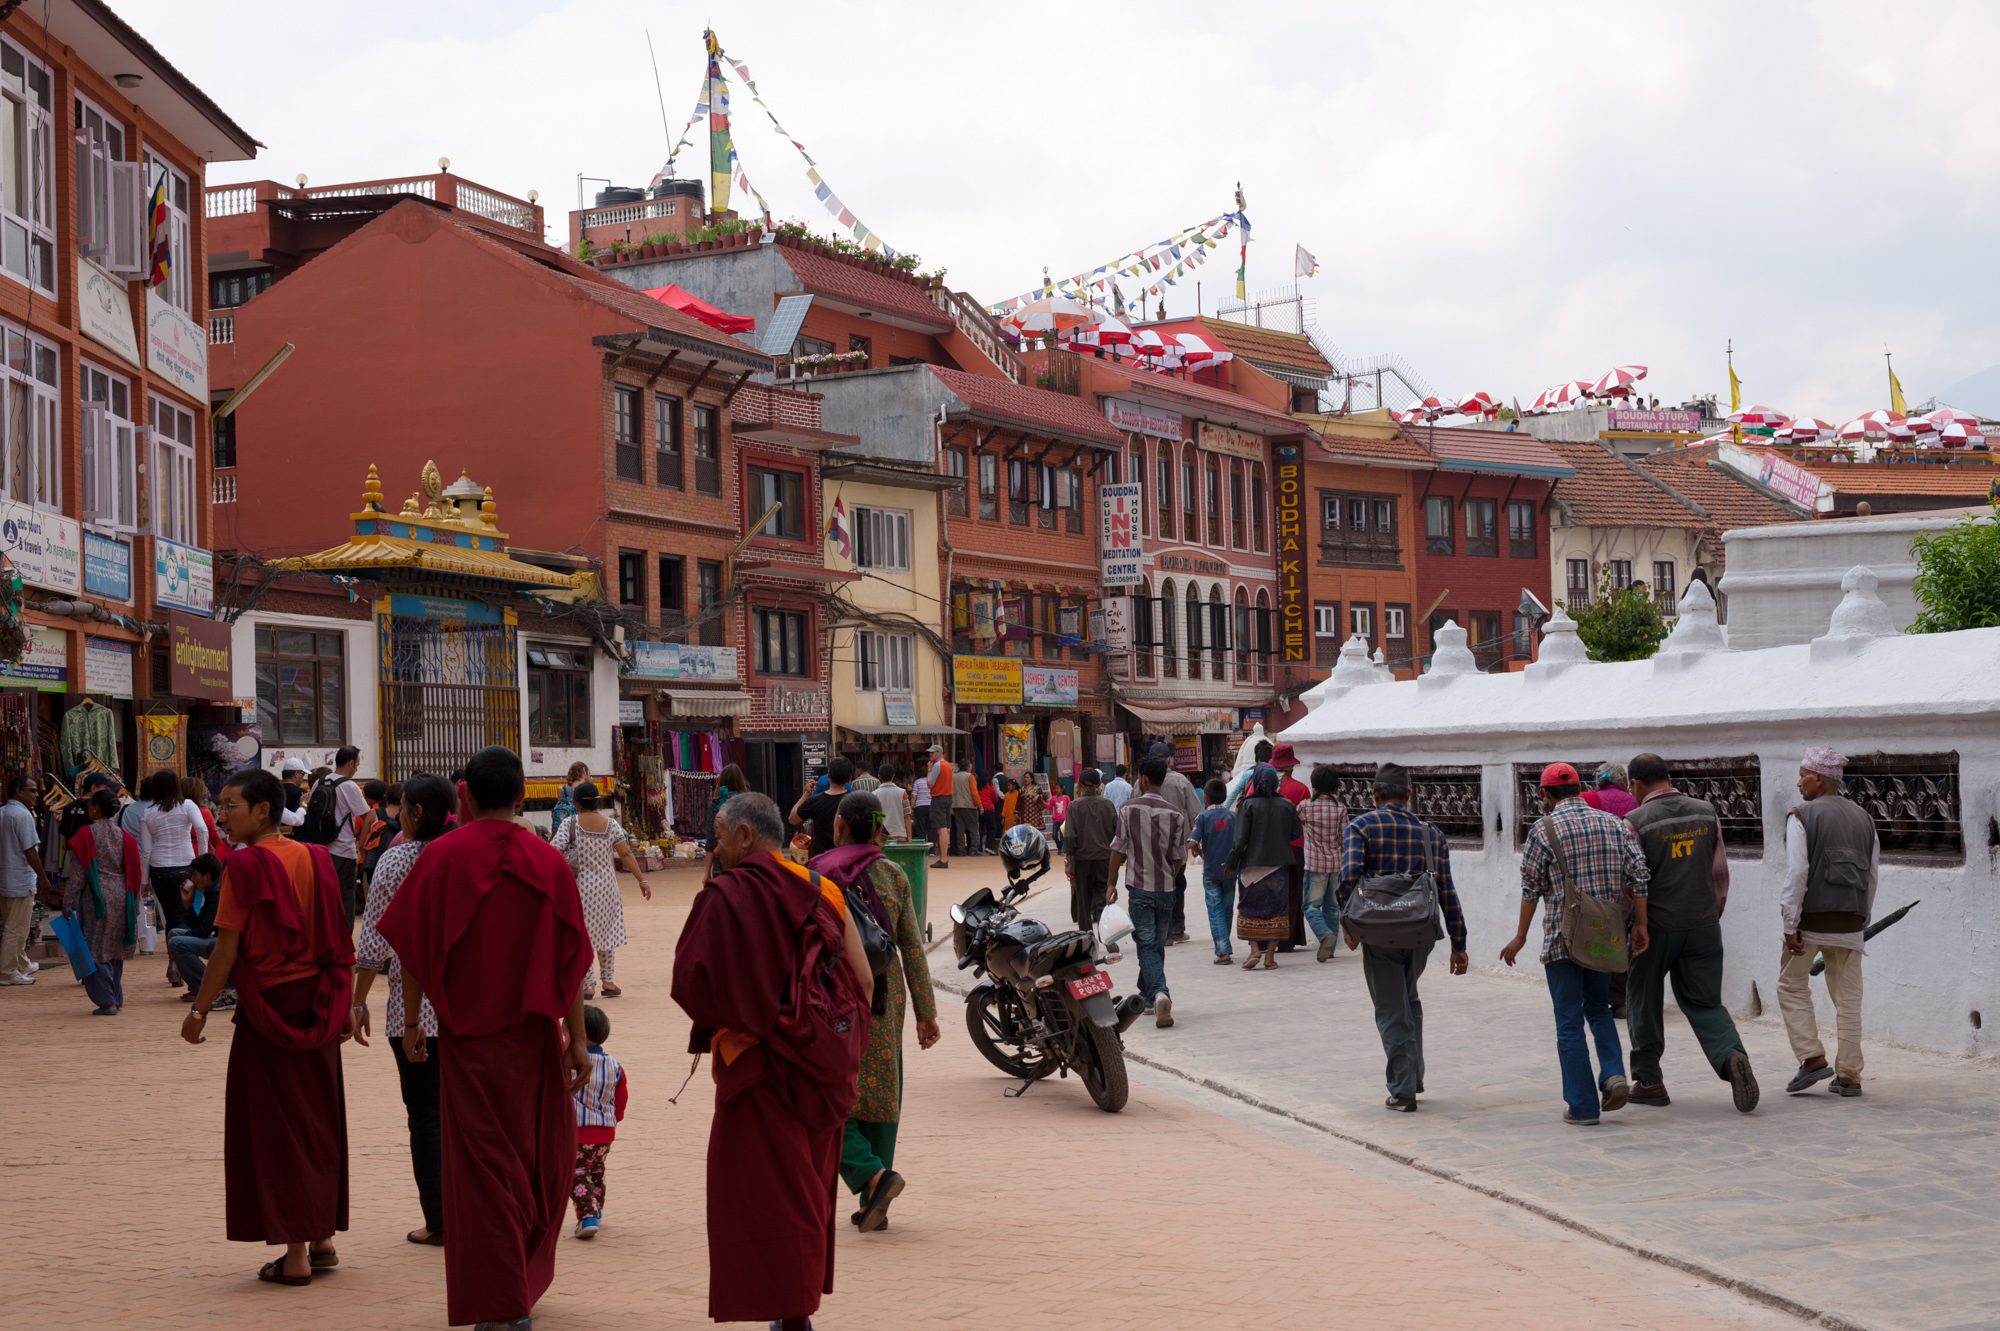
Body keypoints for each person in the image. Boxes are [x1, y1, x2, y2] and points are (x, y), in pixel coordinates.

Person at [378, 746, 594, 1331]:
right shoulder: (547, 860)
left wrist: (417, 1020)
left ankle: (503, 1299)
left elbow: (417, 945)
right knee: (530, 1161)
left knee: (482, 1170)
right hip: (532, 1039)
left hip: (468, 1039)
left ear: (465, 796)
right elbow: (569, 960)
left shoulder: (441, 857)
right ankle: (512, 1290)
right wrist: (577, 1039)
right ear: (524, 796)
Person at [672, 792, 871, 1330]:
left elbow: (691, 985)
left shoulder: (727, 894)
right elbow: (864, 981)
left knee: (764, 1195)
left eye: (718, 832)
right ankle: (795, 1306)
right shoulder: (820, 888)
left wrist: (749, 1014)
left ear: (744, 835)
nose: (715, 843)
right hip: (820, 1068)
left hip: (756, 1064)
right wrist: (833, 1043)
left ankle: (790, 1310)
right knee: (804, 1189)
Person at [181, 766, 353, 1287]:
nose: (222, 813)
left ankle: (295, 1254)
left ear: (262, 811)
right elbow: (337, 933)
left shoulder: (245, 865)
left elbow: (227, 950)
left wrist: (198, 1011)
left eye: (230, 804)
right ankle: (321, 1238)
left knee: (277, 1129)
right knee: (318, 1121)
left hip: (269, 1006)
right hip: (317, 1003)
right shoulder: (315, 858)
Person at [810, 792, 941, 1235]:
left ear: (841, 824)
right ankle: (873, 1201)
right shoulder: (894, 873)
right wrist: (927, 1011)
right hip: (886, 998)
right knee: (883, 1091)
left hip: (832, 996)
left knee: (828, 1092)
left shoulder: (820, 872)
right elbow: (911, 947)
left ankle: (872, 1174)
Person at [1503, 762, 1651, 1126]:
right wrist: (1642, 924)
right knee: (1599, 1008)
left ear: (1544, 794)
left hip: (1562, 938)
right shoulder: (1615, 825)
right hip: (1605, 936)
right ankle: (1614, 1072)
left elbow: (1530, 889)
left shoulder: (1544, 829)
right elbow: (1640, 875)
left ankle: (1583, 1106)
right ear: (1580, 789)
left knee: (1569, 1021)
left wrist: (1520, 936)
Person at [350, 772, 456, 1248]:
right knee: (463, 1114)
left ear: (414, 813)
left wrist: (357, 1001)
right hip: (464, 1009)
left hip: (410, 1013)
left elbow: (373, 937)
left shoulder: (395, 860)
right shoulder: (458, 855)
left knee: (426, 1116)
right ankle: (471, 1211)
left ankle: (438, 1219)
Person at [1623, 753, 1758, 1112]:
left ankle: (1649, 1081)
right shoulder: (1705, 811)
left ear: (1635, 783)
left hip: (1655, 927)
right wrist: (1711, 914)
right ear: (1668, 777)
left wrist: (1637, 925)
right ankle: (1731, 1054)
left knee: (1643, 1000)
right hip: (1703, 923)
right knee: (1704, 1002)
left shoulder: (1634, 822)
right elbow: (1719, 873)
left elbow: (1633, 883)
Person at [1339, 763, 1470, 1112]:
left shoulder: (1360, 827)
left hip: (1378, 932)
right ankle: (1413, 1076)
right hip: (1419, 932)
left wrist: (1348, 924)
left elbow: (1349, 876)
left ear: (1375, 795)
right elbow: (1446, 889)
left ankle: (1402, 1090)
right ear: (1409, 795)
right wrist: (1459, 943)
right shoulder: (1431, 834)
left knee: (1392, 1008)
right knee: (1409, 1000)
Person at [1778, 746, 1879, 1099]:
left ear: (1819, 779)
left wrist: (1791, 924)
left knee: (1791, 986)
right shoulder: (1865, 819)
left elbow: (1797, 872)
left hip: (1809, 921)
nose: (1798, 781)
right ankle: (1850, 1075)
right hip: (1851, 921)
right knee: (1849, 999)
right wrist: (1861, 919)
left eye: (1803, 774)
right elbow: (1872, 875)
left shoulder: (1801, 816)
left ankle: (1811, 1058)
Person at [1108, 755, 1189, 1028]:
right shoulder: (1175, 814)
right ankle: (1147, 994)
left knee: (1146, 944)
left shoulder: (1128, 810)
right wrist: (1169, 876)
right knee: (1155, 944)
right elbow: (1179, 858)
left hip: (1140, 888)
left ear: (1142, 779)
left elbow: (1117, 849)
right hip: (1166, 888)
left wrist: (1110, 884)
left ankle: (1160, 993)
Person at [552, 781, 653, 999]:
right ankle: (608, 981)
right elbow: (625, 854)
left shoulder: (570, 824)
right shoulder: (611, 825)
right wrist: (642, 880)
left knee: (584, 934)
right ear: (597, 801)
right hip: (607, 887)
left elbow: (554, 850)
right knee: (606, 932)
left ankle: (588, 985)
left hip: (580, 887)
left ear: (576, 802)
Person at [62, 788, 142, 1014]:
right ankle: (115, 995)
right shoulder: (124, 836)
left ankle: (107, 1001)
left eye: (90, 805)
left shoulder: (87, 834)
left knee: (95, 948)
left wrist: (68, 900)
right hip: (121, 895)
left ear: (96, 808)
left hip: (96, 898)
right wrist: (134, 904)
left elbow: (79, 872)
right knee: (114, 949)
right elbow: (133, 872)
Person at [1225, 766, 1302, 971]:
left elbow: (1239, 840)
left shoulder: (1247, 805)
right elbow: (1295, 834)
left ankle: (1254, 950)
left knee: (1249, 908)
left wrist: (1231, 862)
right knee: (1277, 909)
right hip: (1279, 866)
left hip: (1252, 866)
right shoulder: (1287, 805)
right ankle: (1269, 957)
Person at [569, 1004, 628, 1240]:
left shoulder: (571, 1065)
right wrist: (615, 1119)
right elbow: (621, 1097)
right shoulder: (614, 1065)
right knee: (596, 1170)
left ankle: (587, 1216)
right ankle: (597, 1207)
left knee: (576, 1173)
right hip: (605, 1131)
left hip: (578, 1131)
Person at [302, 745, 370, 931]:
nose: (356, 768)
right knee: (345, 898)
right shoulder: (349, 785)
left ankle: (323, 938)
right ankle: (343, 944)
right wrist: (360, 842)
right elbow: (368, 816)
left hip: (320, 850)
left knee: (323, 898)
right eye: (357, 764)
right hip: (343, 851)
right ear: (350, 763)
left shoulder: (320, 782)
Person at [140, 768, 211, 944]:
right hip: (185, 868)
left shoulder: (148, 813)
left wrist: (144, 880)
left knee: (170, 915)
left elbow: (146, 851)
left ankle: (175, 955)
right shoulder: (187, 805)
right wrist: (202, 860)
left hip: (159, 871)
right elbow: (202, 830)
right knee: (181, 913)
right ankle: (180, 955)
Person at [1146, 744, 1206, 943]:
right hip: (1177, 845)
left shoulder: (1141, 782)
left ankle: (1160, 930)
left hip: (1149, 845)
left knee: (1154, 887)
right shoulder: (1181, 781)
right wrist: (1197, 842)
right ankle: (1176, 928)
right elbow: (1196, 814)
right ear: (1170, 759)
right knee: (1177, 884)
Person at [0, 773, 51, 985]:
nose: (36, 795)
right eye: (31, 790)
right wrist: (43, 877)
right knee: (16, 928)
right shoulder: (22, 816)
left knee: (13, 925)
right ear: (18, 791)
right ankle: (7, 971)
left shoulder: (3, 812)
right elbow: (30, 850)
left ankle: (21, 962)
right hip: (19, 878)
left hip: (6, 877)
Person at [1298, 764, 1350, 962]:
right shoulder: (1340, 808)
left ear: (1314, 786)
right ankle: (1331, 949)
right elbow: (1345, 838)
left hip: (1314, 865)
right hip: (1336, 865)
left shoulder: (1305, 807)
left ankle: (1324, 935)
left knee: (1311, 906)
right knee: (1332, 907)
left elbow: (1295, 823)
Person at [1187, 777, 1238, 966]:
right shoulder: (1233, 817)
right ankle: (1223, 944)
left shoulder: (1202, 818)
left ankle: (1223, 950)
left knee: (1215, 910)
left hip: (1211, 872)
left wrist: (1197, 850)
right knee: (1226, 909)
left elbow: (1192, 841)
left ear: (1205, 798)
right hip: (1231, 870)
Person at [167, 854, 229, 1007]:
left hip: (223, 943)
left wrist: (187, 937)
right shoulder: (211, 890)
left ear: (207, 875)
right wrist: (188, 906)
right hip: (216, 939)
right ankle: (200, 986)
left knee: (177, 942)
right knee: (174, 934)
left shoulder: (216, 892)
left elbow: (202, 931)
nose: (193, 879)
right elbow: (199, 926)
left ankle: (205, 987)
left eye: (195, 875)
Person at [1063, 768, 1119, 933]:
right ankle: (1107, 936)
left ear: (1079, 785)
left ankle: (1087, 939)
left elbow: (1070, 837)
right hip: (1104, 860)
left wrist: (1069, 862)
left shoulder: (1074, 806)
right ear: (1099, 785)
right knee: (1104, 899)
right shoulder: (1107, 805)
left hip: (1081, 861)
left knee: (1083, 902)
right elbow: (1118, 834)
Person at [790, 757, 854, 861]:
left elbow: (792, 819)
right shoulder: (856, 800)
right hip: (849, 859)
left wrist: (806, 794)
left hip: (822, 859)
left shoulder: (815, 801)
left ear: (828, 775)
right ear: (850, 778)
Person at [925, 744, 954, 868]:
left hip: (938, 798)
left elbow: (930, 784)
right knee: (945, 828)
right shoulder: (947, 765)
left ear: (938, 753)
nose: (930, 755)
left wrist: (929, 769)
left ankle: (943, 859)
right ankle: (944, 857)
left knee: (941, 829)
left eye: (932, 753)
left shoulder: (937, 765)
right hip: (948, 797)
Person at [549, 761, 589, 836]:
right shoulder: (585, 789)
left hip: (560, 831)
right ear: (584, 772)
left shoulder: (561, 789)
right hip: (576, 832)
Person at [950, 764, 980, 855]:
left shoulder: (953, 777)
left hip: (956, 805)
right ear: (968, 767)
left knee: (960, 830)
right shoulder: (970, 776)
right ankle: (973, 850)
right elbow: (974, 793)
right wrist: (980, 805)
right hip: (969, 806)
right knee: (974, 829)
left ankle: (961, 851)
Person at [874, 767, 909, 841]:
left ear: (879, 776)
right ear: (893, 776)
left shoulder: (874, 795)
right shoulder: (903, 793)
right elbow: (907, 817)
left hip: (881, 837)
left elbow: (875, 818)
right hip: (899, 834)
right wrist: (910, 837)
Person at [278, 758, 309, 830]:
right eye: (303, 774)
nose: (303, 778)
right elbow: (301, 820)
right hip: (297, 837)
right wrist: (304, 804)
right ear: (296, 774)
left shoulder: (273, 792)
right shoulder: (303, 793)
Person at [976, 772, 1000, 852]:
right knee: (992, 828)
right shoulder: (990, 786)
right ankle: (989, 846)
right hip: (989, 809)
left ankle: (979, 848)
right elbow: (995, 798)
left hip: (980, 809)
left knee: (980, 829)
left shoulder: (977, 787)